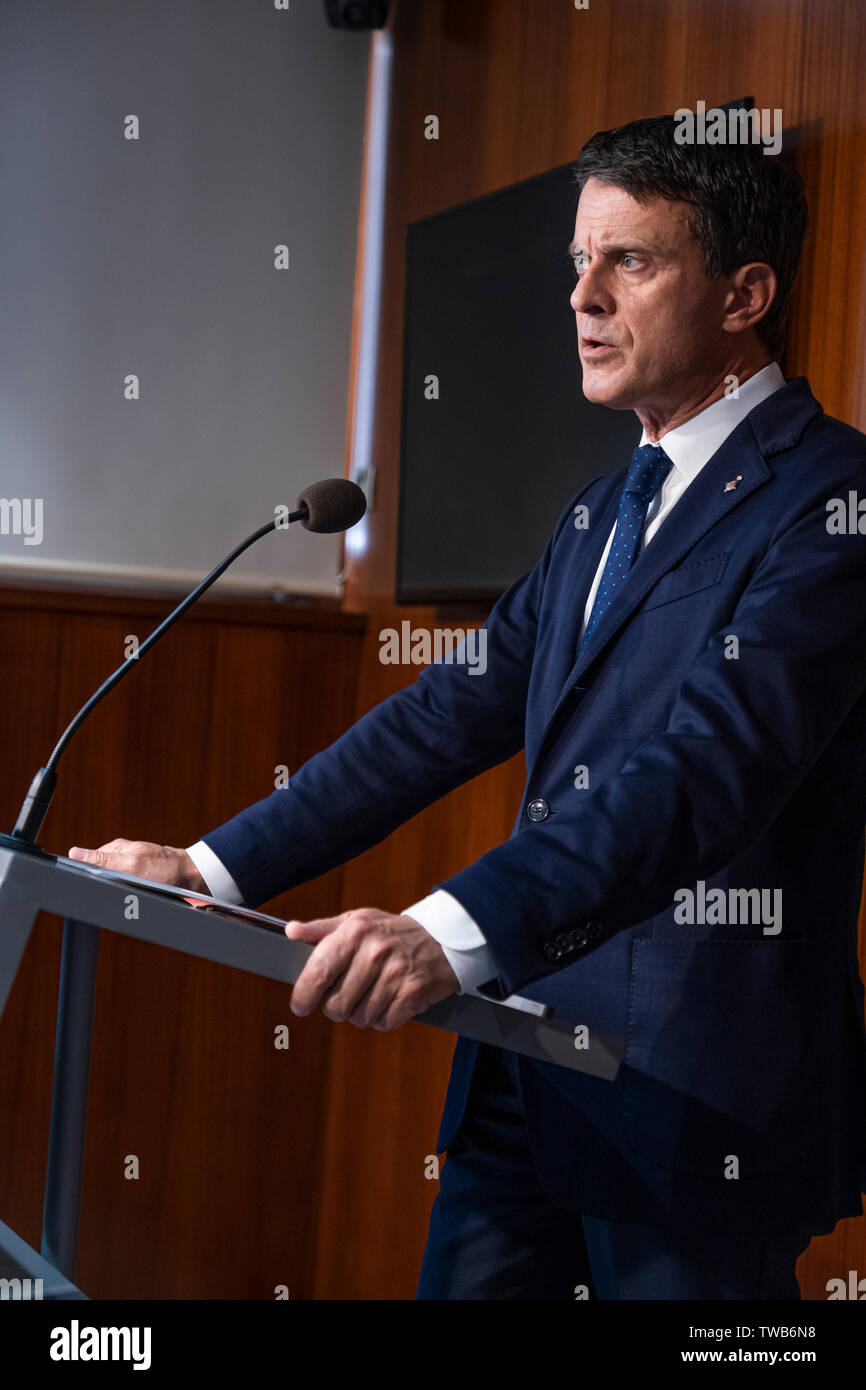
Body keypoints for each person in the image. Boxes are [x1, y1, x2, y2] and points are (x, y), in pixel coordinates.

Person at [69, 114, 866, 1300]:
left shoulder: (831, 501)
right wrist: (213, 864)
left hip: (691, 1095)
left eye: (627, 262)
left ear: (744, 291)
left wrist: (447, 931)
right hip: (522, 1067)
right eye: (574, 264)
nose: (581, 297)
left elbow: (706, 771)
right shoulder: (600, 510)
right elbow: (446, 715)